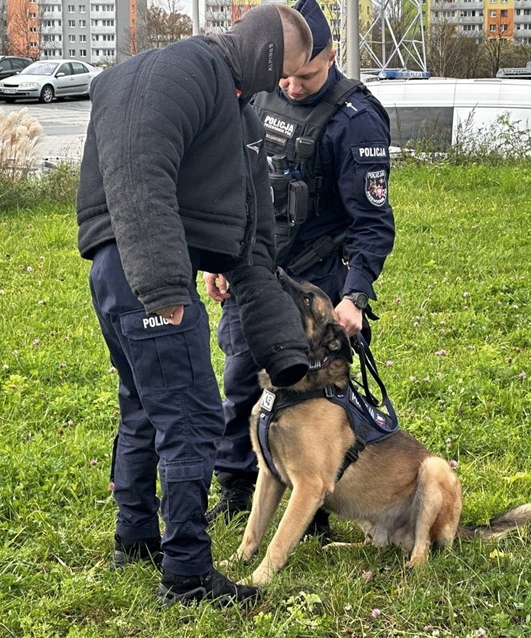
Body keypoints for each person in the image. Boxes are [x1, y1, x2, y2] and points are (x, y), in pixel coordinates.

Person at [76, 5, 314, 607]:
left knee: (142, 405)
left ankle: (134, 537)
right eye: (280, 74)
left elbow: (252, 241)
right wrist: (162, 286)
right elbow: (137, 167)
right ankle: (186, 575)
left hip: (116, 267)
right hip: (145, 269)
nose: (281, 88)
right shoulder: (176, 72)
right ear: (265, 54)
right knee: (190, 417)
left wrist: (286, 352)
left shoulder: (227, 97)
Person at [203, 0, 395, 540]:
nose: (290, 85)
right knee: (243, 382)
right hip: (254, 269)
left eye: (305, 74)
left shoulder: (355, 121)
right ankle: (238, 489)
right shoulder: (261, 93)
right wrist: (220, 257)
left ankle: (315, 505)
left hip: (314, 287)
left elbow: (372, 222)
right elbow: (234, 184)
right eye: (285, 74)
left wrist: (354, 296)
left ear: (330, 56)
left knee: (310, 399)